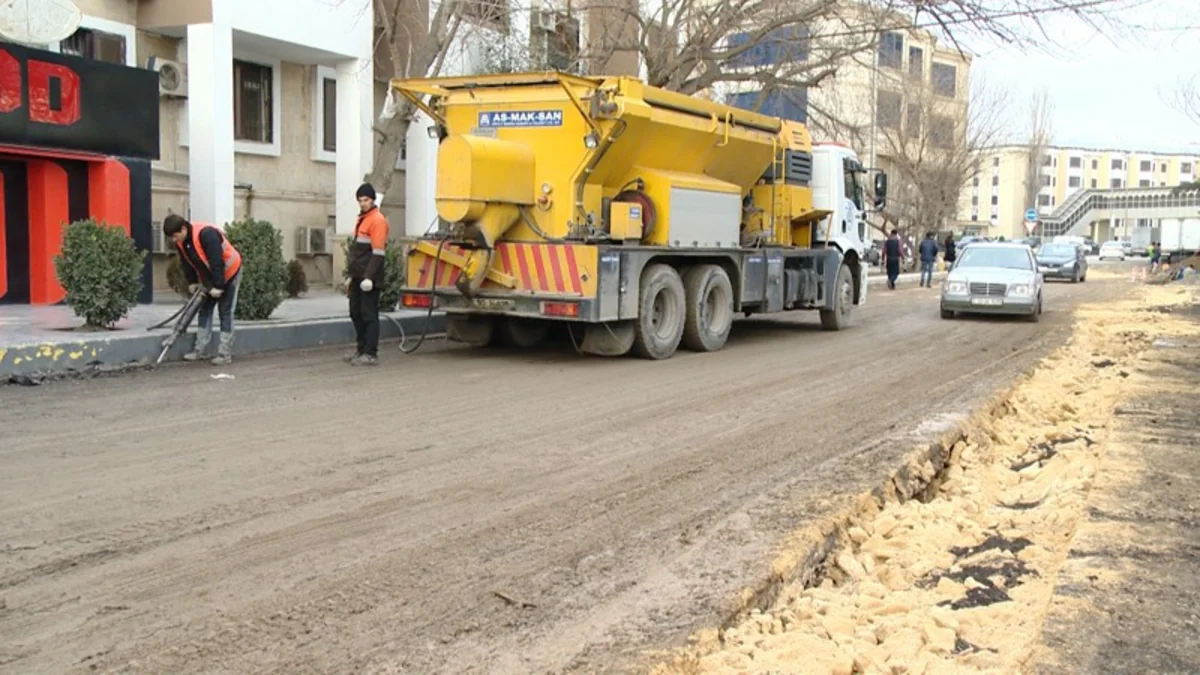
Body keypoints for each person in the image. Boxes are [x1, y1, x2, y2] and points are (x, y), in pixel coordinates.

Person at [163, 215, 243, 366]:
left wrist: (218, 287)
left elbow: (217, 261)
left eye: (175, 235)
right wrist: (192, 282)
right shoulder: (181, 242)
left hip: (230, 271)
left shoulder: (206, 234)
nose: (174, 240)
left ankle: (224, 354)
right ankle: (200, 350)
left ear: (183, 229)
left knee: (225, 311)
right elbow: (187, 262)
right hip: (211, 277)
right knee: (204, 310)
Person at [344, 183, 390, 366]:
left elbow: (378, 253)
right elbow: (358, 252)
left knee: (369, 315)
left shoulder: (377, 221)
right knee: (355, 313)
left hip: (369, 278)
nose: (363, 203)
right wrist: (351, 275)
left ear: (372, 200)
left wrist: (369, 277)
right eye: (360, 200)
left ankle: (370, 353)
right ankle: (361, 349)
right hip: (358, 276)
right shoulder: (362, 219)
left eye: (366, 200)